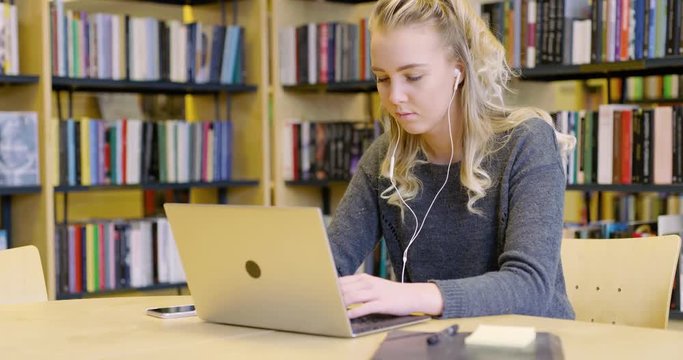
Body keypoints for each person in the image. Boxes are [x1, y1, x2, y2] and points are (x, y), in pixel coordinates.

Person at [327, 0, 576, 320]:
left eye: (413, 76)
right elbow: (329, 266)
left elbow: (529, 287)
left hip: (531, 344)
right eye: (383, 78)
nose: (394, 97)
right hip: (434, 344)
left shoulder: (526, 143)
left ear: (458, 70)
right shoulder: (385, 156)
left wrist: (409, 296)